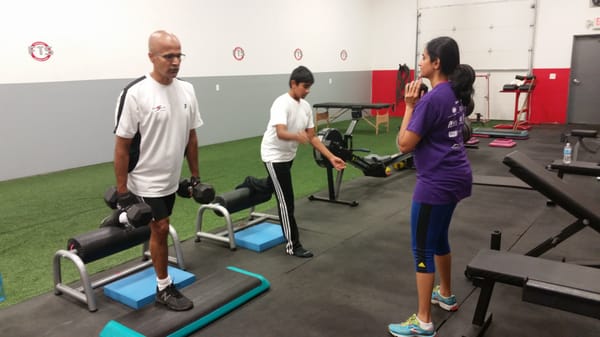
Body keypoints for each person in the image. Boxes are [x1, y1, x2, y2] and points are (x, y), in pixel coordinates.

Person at [388, 36, 474, 337]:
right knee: (438, 239)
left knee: (421, 249)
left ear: (436, 63)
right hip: (456, 177)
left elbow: (404, 144)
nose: (420, 61)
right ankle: (446, 294)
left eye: (423, 57)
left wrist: (409, 105)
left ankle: (423, 321)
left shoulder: (431, 99)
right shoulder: (454, 93)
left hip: (436, 183)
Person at [112, 30, 203, 311]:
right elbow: (122, 147)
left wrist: (196, 177)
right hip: (144, 179)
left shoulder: (187, 89)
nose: (175, 61)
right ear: (152, 57)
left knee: (158, 225)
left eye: (179, 55)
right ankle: (163, 288)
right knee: (161, 228)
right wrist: (123, 190)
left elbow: (191, 137)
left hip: (171, 178)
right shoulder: (135, 93)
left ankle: (123, 219)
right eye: (168, 56)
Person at [260, 65, 346, 258]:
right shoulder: (281, 103)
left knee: (271, 186)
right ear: (293, 83)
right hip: (273, 156)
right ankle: (293, 245)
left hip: (288, 156)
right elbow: (281, 132)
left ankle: (252, 183)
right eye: (305, 86)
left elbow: (313, 137)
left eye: (309, 87)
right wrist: (296, 138)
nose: (307, 91)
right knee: (285, 202)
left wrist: (331, 157)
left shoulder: (306, 107)